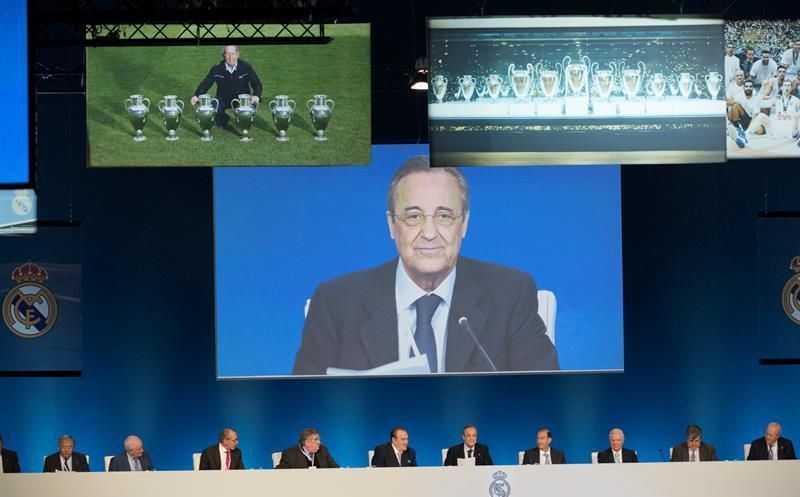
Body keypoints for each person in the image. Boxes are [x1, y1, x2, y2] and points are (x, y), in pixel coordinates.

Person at [293, 156, 559, 375]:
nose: (429, 233)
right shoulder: (336, 303)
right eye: (414, 216)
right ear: (392, 225)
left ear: (464, 223)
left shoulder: (511, 295)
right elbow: (306, 406)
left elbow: (543, 399)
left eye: (444, 216)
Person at [191, 45, 262, 128]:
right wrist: (197, 95)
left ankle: (244, 124)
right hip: (223, 98)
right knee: (214, 107)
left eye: (233, 54)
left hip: (242, 99)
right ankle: (224, 119)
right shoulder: (216, 68)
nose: (231, 57)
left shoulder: (246, 66)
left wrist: (256, 95)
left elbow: (256, 83)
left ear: (238, 54)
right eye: (227, 54)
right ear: (223, 55)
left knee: (244, 120)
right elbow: (206, 83)